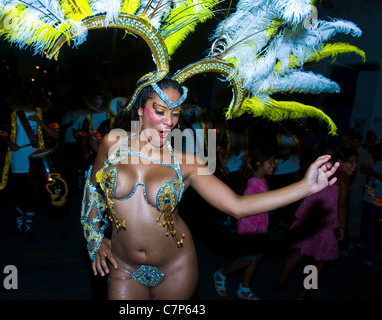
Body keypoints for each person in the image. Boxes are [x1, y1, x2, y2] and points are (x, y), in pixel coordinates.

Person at [81, 77, 339, 300]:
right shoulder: (113, 142)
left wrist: (305, 186)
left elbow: (237, 206)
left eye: (176, 112)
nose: (169, 121)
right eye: (160, 110)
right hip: (123, 264)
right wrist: (94, 237)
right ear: (140, 109)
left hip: (175, 266)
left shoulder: (188, 163)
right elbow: (93, 189)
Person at [274, 148, 358, 300]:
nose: (354, 165)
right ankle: (302, 294)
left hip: (308, 220)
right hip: (325, 225)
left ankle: (281, 280)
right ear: (340, 162)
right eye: (351, 161)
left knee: (299, 252)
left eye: (356, 162)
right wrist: (343, 227)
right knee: (319, 261)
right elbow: (342, 205)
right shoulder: (344, 178)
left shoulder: (322, 171)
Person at [0, 87, 59, 239]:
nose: (29, 100)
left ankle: (28, 227)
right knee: (18, 194)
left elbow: (56, 135)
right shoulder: (13, 115)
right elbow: (0, 133)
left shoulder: (44, 115)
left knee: (34, 194)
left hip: (38, 160)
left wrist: (40, 123)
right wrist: (10, 142)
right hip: (18, 160)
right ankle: (19, 226)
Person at [213, 147, 276, 300]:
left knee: (256, 258)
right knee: (244, 260)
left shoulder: (261, 180)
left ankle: (244, 288)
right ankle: (221, 275)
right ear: (259, 164)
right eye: (270, 162)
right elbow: (246, 211)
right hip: (250, 230)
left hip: (260, 228)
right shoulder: (253, 184)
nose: (274, 165)